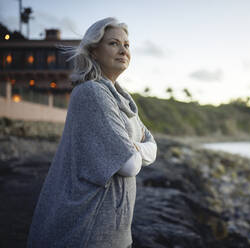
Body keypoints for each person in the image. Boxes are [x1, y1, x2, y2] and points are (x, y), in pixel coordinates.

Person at [27, 17, 157, 248]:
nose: (123, 50)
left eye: (126, 45)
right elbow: (129, 165)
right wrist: (134, 148)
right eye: (113, 43)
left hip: (114, 230)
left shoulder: (122, 98)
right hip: (88, 228)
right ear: (94, 51)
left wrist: (133, 146)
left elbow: (153, 146)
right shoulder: (92, 93)